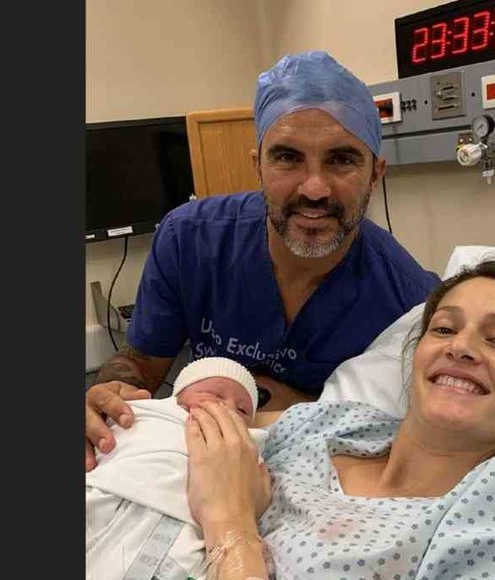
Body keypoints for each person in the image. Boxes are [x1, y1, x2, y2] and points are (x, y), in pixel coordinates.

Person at [85, 50, 440, 471]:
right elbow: (140, 363)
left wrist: (298, 407)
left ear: (375, 174)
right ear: (258, 166)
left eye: (341, 160)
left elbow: (414, 431)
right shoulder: (190, 240)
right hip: (193, 460)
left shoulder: (409, 302)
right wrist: (110, 391)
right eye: (287, 158)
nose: (314, 189)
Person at [183, 259, 495, 579]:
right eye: (444, 329)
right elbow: (201, 418)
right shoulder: (337, 424)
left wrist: (231, 527)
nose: (460, 347)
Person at [86, 357, 270, 580]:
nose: (228, 408)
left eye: (242, 410)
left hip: (186, 537)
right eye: (214, 395)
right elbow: (112, 417)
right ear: (177, 398)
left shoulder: (250, 446)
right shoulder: (155, 412)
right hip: (117, 496)